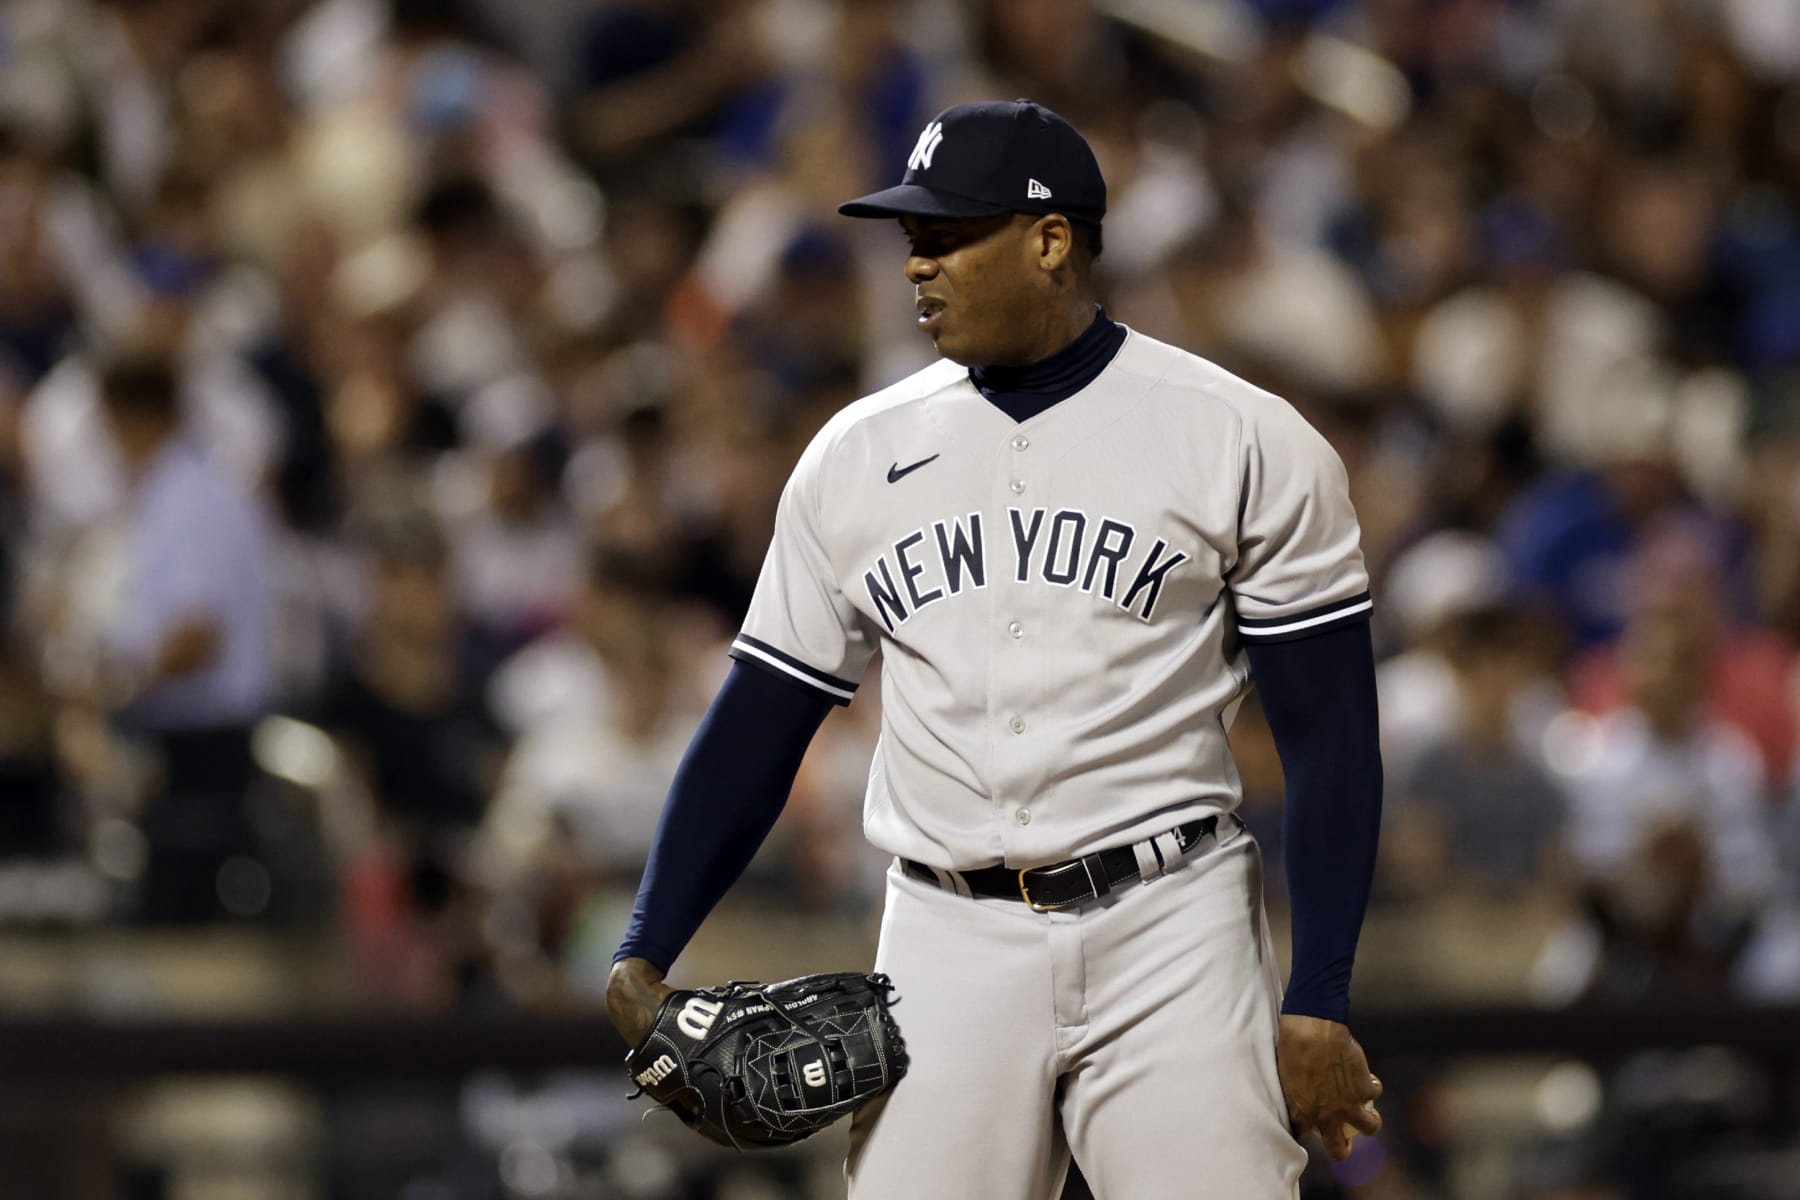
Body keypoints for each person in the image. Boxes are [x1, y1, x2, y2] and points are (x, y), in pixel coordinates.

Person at [607, 100, 1385, 1199]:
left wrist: (1321, 995)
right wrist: (646, 944)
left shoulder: (1242, 439)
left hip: (1172, 920)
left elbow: (1334, 741)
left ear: (1051, 241)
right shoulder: (855, 455)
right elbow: (760, 721)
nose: (915, 268)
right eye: (910, 242)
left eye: (945, 240)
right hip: (943, 935)